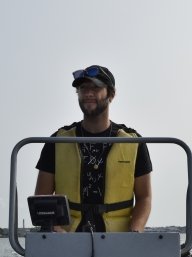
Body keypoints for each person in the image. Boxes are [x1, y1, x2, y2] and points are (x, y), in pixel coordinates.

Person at [35, 65, 152, 232]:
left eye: (96, 87)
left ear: (111, 94)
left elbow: (144, 197)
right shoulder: (57, 141)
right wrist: (56, 232)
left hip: (119, 239)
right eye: (83, 88)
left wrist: (134, 233)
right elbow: (42, 198)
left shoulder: (134, 142)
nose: (88, 93)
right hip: (66, 239)